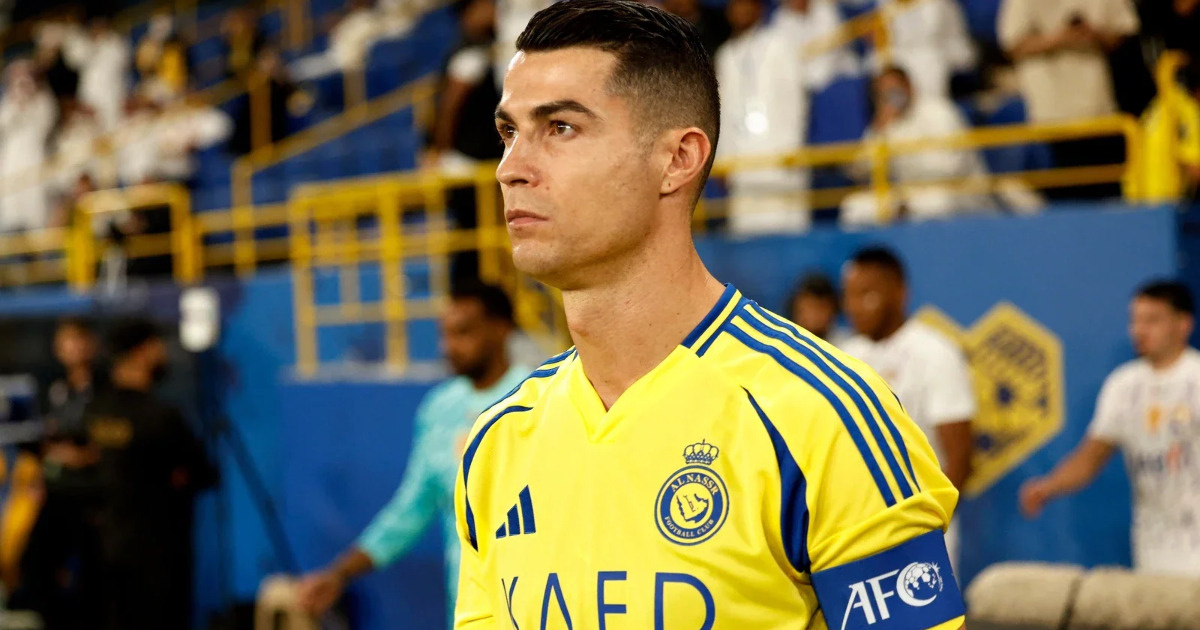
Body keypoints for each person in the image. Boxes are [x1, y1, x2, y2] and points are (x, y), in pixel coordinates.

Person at [455, 2, 966, 628]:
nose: (510, 169)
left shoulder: (822, 415)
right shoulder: (497, 440)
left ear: (678, 159)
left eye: (560, 127)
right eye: (509, 133)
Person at [296, 283, 528, 625]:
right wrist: (339, 574)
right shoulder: (440, 408)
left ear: (501, 328)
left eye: (463, 332)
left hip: (532, 605)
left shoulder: (536, 398)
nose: (449, 346)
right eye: (444, 334)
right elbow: (412, 507)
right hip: (468, 611)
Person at [1020, 281, 1200, 577]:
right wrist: (1049, 486)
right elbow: (1091, 456)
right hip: (1152, 551)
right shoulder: (1123, 385)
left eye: (1152, 320)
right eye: (1135, 320)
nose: (1139, 330)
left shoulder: (1196, 378)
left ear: (1184, 324)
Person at [839, 247, 976, 564]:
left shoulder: (936, 353)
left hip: (922, 533)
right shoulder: (843, 355)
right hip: (857, 533)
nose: (853, 306)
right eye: (848, 295)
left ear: (899, 293)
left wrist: (928, 528)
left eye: (866, 295)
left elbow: (960, 458)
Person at [83, 318, 216, 630]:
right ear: (142, 352)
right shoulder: (161, 418)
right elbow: (204, 473)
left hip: (105, 549)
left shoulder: (95, 411)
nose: (164, 354)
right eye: (158, 346)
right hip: (159, 556)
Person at [840, 65, 993, 228]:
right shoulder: (886, 124)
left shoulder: (939, 111)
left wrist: (907, 199)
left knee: (936, 204)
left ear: (910, 87)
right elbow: (858, 172)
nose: (890, 97)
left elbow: (948, 168)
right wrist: (878, 130)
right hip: (909, 196)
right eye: (883, 94)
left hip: (958, 192)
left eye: (894, 90)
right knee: (854, 207)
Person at [788, 271, 851, 347]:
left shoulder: (848, 345)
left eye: (821, 307)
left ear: (834, 310)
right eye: (810, 307)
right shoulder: (783, 341)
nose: (814, 315)